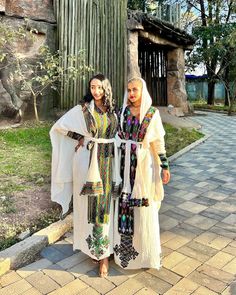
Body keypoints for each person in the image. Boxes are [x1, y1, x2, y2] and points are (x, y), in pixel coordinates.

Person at [50, 74, 121, 278]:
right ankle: (97, 251)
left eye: (99, 87)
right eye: (92, 87)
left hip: (110, 162)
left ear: (106, 88)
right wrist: (79, 136)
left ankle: (105, 252)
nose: (95, 91)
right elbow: (59, 127)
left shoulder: (113, 110)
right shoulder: (83, 109)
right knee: (91, 206)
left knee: (107, 205)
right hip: (88, 163)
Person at [113, 77, 170, 269]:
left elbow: (158, 143)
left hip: (143, 168)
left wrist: (165, 166)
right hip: (123, 166)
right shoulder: (122, 112)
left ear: (142, 90)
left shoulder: (152, 114)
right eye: (128, 90)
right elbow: (115, 136)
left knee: (144, 207)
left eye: (135, 90)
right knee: (124, 205)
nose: (131, 94)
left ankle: (145, 253)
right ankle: (125, 251)